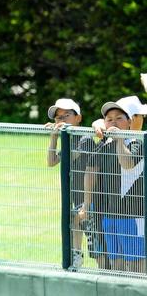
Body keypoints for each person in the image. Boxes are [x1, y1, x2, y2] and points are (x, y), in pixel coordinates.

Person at [81, 101, 144, 272]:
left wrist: (119, 140)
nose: (114, 122)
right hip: (110, 214)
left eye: (119, 118)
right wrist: (86, 204)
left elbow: (127, 163)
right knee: (116, 262)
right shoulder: (104, 144)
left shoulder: (137, 142)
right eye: (109, 119)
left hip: (134, 215)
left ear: (130, 121)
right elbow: (90, 171)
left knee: (137, 264)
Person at [45, 98, 101, 269]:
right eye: (58, 117)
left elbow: (73, 157)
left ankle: (103, 270)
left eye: (66, 115)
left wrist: (62, 132)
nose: (61, 120)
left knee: (97, 245)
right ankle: (77, 254)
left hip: (92, 200)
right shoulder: (68, 138)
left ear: (78, 118)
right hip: (78, 198)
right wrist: (54, 137)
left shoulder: (85, 138)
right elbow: (51, 161)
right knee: (74, 221)